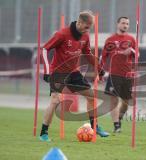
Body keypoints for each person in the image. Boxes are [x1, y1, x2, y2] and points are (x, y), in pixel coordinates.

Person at [39, 11, 109, 142]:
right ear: (80, 22)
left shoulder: (85, 36)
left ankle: (95, 126)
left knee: (91, 96)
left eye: (89, 28)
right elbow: (44, 49)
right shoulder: (62, 34)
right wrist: (47, 71)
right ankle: (43, 133)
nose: (87, 30)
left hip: (73, 73)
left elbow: (88, 54)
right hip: (58, 73)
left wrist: (100, 70)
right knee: (55, 101)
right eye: (86, 27)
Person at [100, 16, 136, 133]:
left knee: (126, 102)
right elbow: (103, 57)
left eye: (127, 24)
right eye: (123, 23)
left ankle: (119, 119)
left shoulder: (131, 39)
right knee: (113, 100)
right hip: (114, 74)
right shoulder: (110, 40)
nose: (125, 25)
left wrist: (131, 51)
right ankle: (116, 126)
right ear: (118, 24)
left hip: (127, 75)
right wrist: (100, 72)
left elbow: (137, 55)